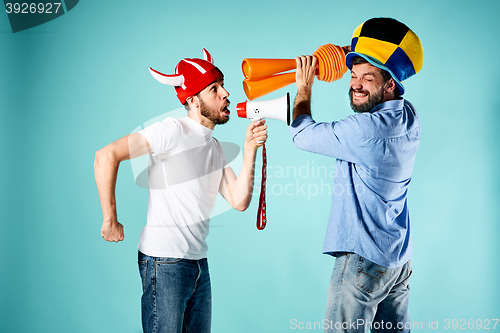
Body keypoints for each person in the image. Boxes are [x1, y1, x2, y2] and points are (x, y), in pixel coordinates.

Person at [94, 48, 268, 333]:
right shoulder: (171, 130)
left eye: (222, 86)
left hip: (199, 265)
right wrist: (109, 218)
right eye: (214, 89)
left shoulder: (214, 147)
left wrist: (249, 149)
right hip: (165, 264)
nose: (226, 93)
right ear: (193, 100)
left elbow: (238, 201)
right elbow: (106, 156)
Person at [289, 18, 423, 332]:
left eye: (368, 78)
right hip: (398, 260)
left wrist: (304, 87)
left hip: (363, 260)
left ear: (390, 84)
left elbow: (301, 135)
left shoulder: (363, 131)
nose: (355, 84)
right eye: (353, 75)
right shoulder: (408, 116)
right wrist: (356, 51)